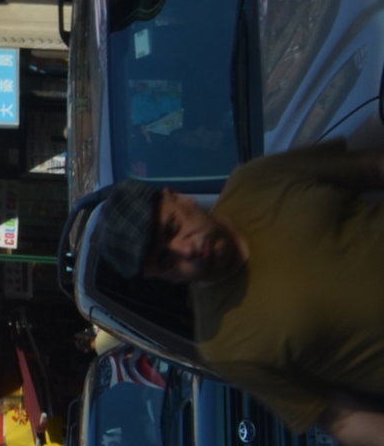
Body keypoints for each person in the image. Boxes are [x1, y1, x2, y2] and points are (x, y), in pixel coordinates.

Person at [89, 148, 384, 445]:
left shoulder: (258, 180)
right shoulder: (225, 344)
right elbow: (341, 417)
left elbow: (369, 166)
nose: (186, 250)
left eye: (173, 227)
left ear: (175, 197)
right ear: (165, 278)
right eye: (166, 260)